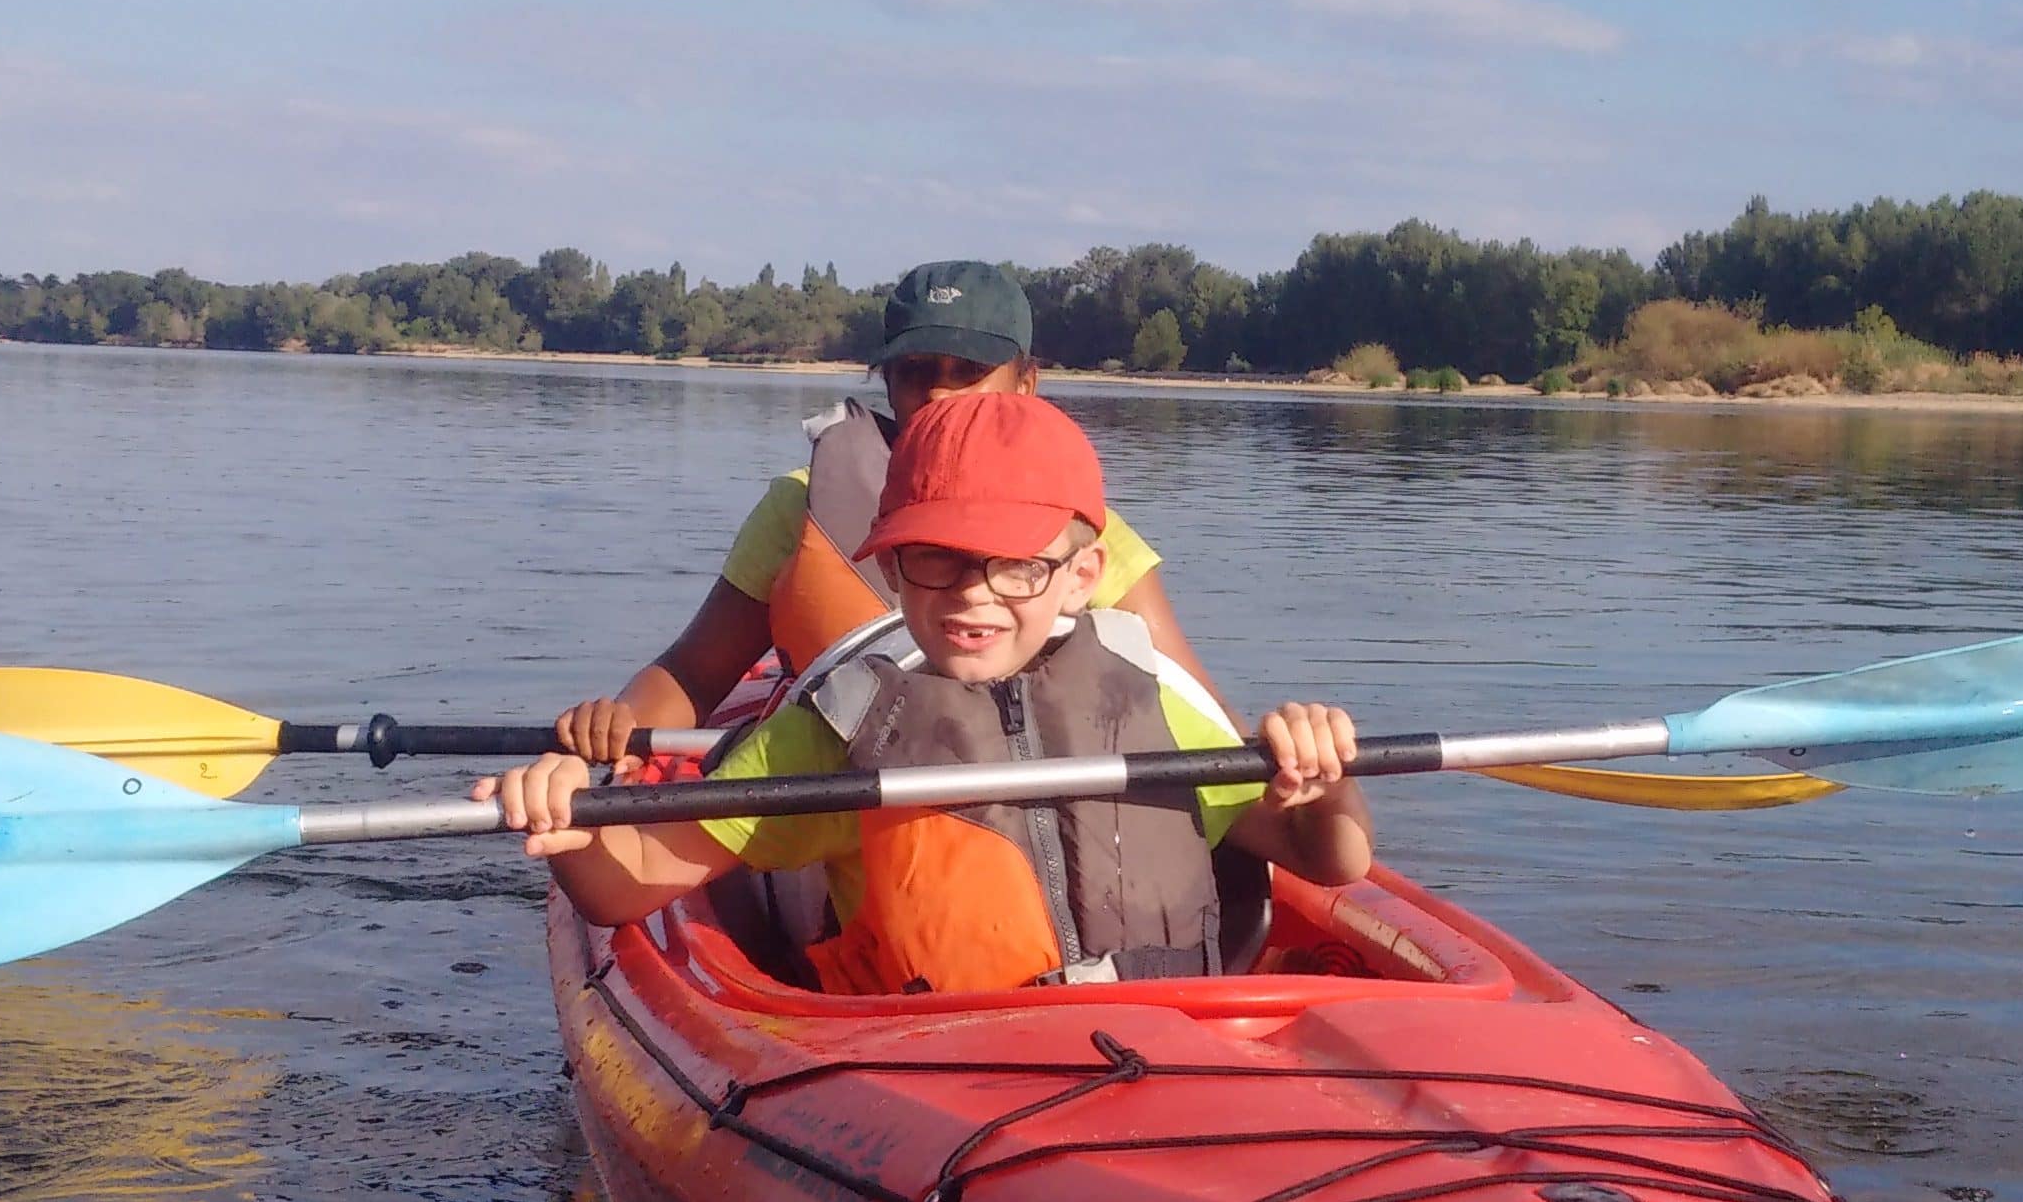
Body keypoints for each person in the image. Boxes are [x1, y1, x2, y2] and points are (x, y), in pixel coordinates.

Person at [484, 392, 1367, 995]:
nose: (973, 593)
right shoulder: (839, 727)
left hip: (1165, 1051)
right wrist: (565, 819)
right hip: (931, 1068)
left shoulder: (1155, 702)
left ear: (1082, 575)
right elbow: (626, 887)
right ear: (894, 569)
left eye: (1016, 564)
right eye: (935, 560)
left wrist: (1326, 776)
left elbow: (1330, 859)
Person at [553, 258, 1204, 762]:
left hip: (1037, 797)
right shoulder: (798, 504)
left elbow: (1191, 704)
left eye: (968, 368)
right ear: (887, 383)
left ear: (1025, 385)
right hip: (844, 795)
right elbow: (694, 674)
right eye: (918, 370)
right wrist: (616, 732)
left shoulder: (1078, 526)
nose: (941, 391)